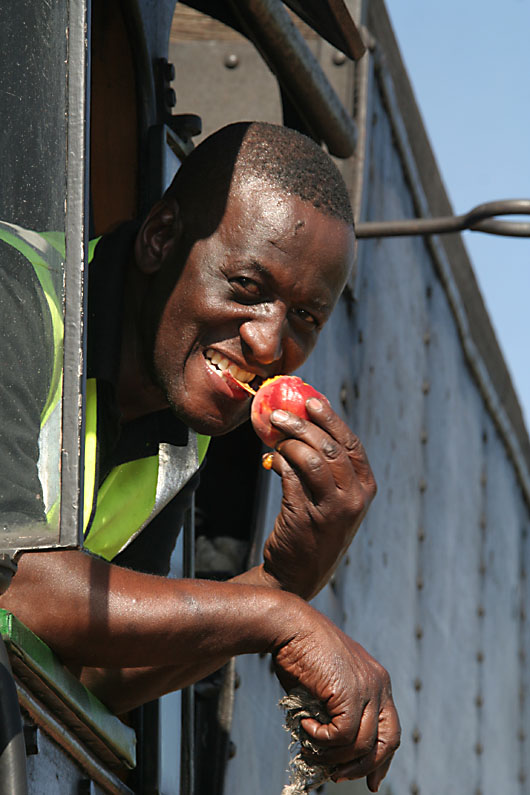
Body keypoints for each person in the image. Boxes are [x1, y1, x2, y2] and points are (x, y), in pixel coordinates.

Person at [0, 122, 400, 791]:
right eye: (248, 284)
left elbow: (84, 670)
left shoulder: (189, 422)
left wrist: (278, 582)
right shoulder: (16, 293)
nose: (270, 342)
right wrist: (276, 617)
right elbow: (16, 583)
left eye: (305, 317)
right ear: (160, 240)